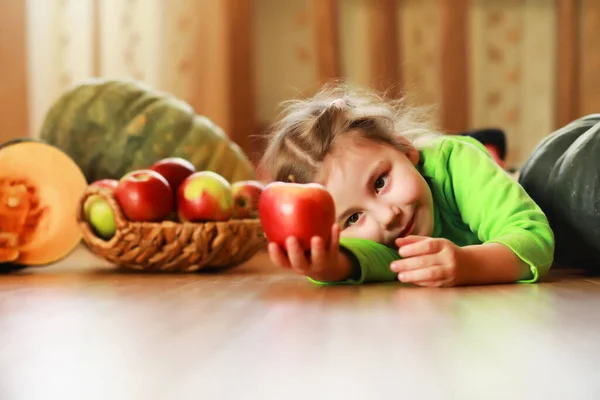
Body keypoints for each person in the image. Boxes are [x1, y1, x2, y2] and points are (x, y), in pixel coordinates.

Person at [259, 83, 555, 287]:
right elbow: (370, 260)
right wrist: (330, 266)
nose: (388, 216)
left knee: (500, 166)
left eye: (380, 182)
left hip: (474, 167)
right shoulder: (386, 238)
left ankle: (490, 147)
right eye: (353, 218)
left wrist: (469, 264)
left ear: (404, 148)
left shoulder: (457, 163)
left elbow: (533, 237)